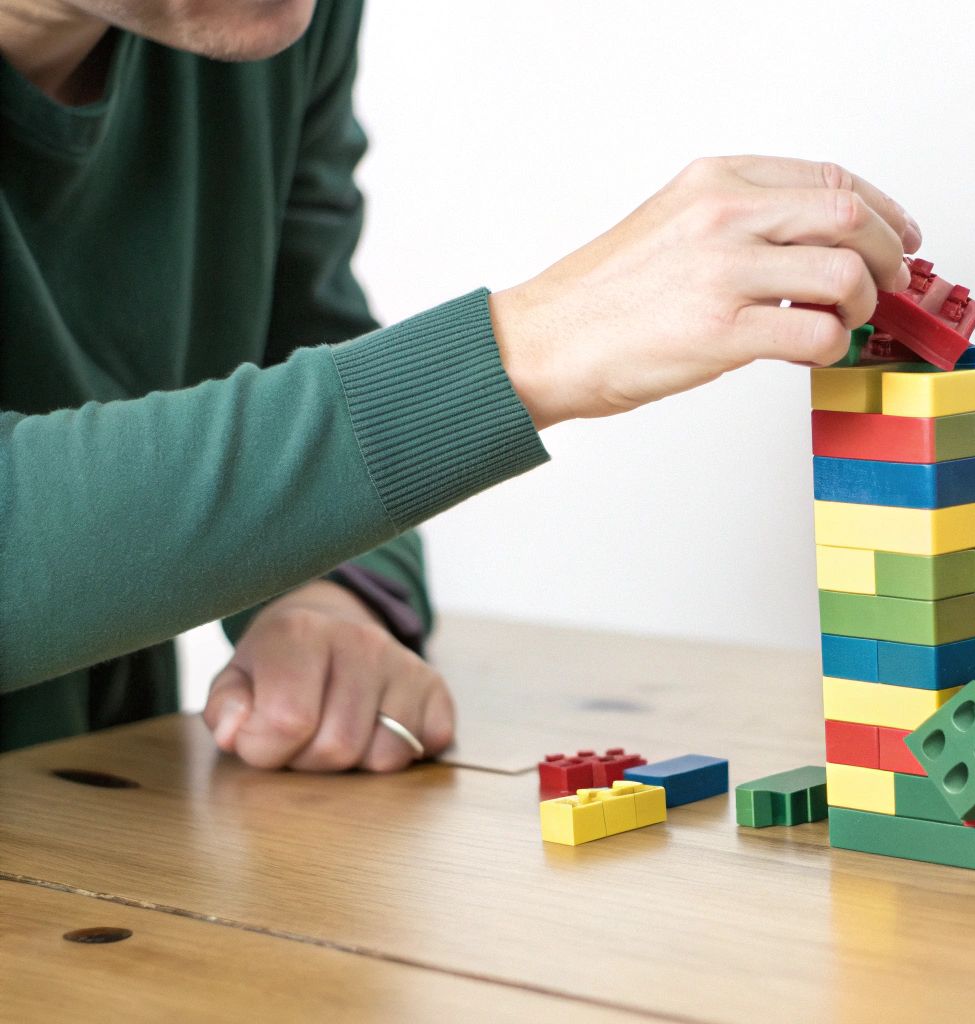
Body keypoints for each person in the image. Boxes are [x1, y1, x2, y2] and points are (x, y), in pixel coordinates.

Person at [0, 0, 920, 768]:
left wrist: (326, 593)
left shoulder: (261, 27)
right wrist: (521, 350)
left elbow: (300, 334)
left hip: (96, 809)